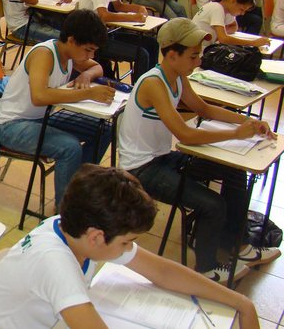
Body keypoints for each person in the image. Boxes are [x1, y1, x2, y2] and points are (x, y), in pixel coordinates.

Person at [0, 164, 262, 329]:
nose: (128, 249)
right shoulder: (56, 266)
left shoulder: (73, 226)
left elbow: (161, 271)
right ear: (96, 236)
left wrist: (240, 302)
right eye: (126, 242)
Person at [118, 18, 280, 283]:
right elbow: (185, 134)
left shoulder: (177, 77)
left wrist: (246, 121)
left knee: (235, 172)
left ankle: (237, 244)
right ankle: (207, 269)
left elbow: (203, 108)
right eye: (193, 55)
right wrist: (235, 134)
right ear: (172, 55)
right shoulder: (153, 84)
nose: (198, 61)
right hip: (143, 169)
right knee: (213, 205)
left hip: (162, 158)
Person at [0, 9, 113, 207]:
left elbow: (97, 68)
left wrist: (85, 75)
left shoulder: (71, 54)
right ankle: (65, 211)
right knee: (70, 148)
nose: (91, 55)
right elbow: (39, 96)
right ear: (72, 40)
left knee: (104, 130)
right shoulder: (45, 54)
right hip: (12, 126)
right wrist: (88, 93)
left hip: (40, 119)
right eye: (88, 49)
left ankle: (78, 188)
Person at [78, 0, 159, 82]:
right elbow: (104, 15)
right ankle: (140, 90)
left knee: (152, 43)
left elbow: (119, 6)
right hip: (93, 39)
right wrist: (133, 17)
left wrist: (139, 8)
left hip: (106, 33)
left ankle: (154, 83)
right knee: (142, 55)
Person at [192, 0, 270, 47]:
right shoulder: (217, 8)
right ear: (233, 1)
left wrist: (219, 32)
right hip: (198, 50)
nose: (242, 13)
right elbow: (223, 39)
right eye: (241, 9)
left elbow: (234, 27)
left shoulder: (227, 11)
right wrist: (253, 43)